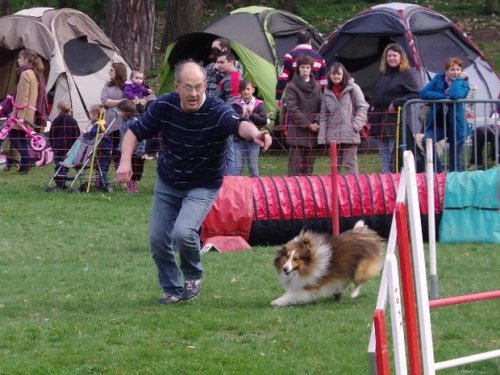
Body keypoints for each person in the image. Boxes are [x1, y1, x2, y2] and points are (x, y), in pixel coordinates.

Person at [115, 60, 272, 305]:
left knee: (183, 232)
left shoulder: (216, 109)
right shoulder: (164, 106)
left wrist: (256, 134)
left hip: (203, 183)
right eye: (188, 87)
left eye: (199, 86)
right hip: (169, 181)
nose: (195, 93)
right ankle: (172, 289)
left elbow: (239, 125)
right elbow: (135, 132)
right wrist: (125, 161)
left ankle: (192, 274)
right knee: (158, 240)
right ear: (177, 87)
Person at [369, 43, 420, 173]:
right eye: (389, 56)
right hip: (381, 117)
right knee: (383, 152)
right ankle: (385, 178)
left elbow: (416, 93)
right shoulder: (384, 73)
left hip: (395, 119)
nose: (391, 58)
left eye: (394, 55)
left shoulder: (406, 73)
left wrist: (397, 102)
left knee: (394, 151)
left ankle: (394, 178)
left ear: (401, 57)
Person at [421, 57, 470, 172]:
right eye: (452, 69)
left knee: (455, 158)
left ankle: (456, 182)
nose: (456, 72)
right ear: (446, 70)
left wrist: (458, 80)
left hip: (456, 125)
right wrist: (442, 97)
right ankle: (438, 173)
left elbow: (454, 95)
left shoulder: (464, 82)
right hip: (438, 124)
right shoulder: (438, 78)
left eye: (458, 69)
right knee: (426, 141)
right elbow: (423, 93)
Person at [318, 62, 368, 174]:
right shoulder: (326, 91)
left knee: (351, 164)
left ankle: (354, 189)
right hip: (333, 134)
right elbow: (324, 116)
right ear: (329, 75)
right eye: (333, 74)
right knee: (335, 166)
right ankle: (337, 190)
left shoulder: (353, 88)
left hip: (350, 131)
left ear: (343, 74)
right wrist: (322, 137)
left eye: (338, 74)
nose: (336, 76)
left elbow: (362, 107)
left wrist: (356, 126)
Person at [7, 49, 48, 173]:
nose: (18, 61)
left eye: (19, 58)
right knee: (22, 139)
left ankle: (27, 158)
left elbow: (23, 97)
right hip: (29, 112)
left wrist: (19, 116)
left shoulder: (25, 74)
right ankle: (25, 167)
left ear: (25, 59)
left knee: (13, 136)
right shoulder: (34, 73)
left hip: (22, 113)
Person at [284, 54, 322, 176]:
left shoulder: (317, 86)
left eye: (307, 67)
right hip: (297, 130)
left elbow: (322, 105)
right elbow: (292, 109)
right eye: (302, 67)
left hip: (313, 131)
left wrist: (317, 122)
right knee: (294, 165)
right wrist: (307, 124)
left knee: (309, 166)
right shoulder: (291, 86)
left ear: (311, 69)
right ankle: (292, 191)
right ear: (298, 69)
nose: (305, 70)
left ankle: (307, 193)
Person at [275, 30, 327, 110]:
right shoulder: (319, 58)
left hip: (295, 96)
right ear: (310, 41)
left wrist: (278, 97)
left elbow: (283, 78)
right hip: (314, 98)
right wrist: (324, 98)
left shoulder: (290, 56)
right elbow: (324, 81)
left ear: (297, 41)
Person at [232, 79, 268, 176]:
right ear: (240, 92)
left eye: (248, 89)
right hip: (238, 141)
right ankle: (236, 189)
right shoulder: (235, 105)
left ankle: (256, 190)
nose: (245, 91)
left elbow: (263, 121)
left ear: (253, 90)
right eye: (243, 90)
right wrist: (242, 117)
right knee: (237, 168)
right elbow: (232, 121)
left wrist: (252, 115)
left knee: (253, 167)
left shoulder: (259, 105)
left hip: (253, 141)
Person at [215, 50, 241, 175]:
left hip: (227, 118)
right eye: (217, 62)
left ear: (231, 62)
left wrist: (224, 116)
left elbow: (234, 101)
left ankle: (230, 181)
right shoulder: (227, 76)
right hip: (224, 116)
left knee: (229, 151)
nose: (218, 65)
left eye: (221, 62)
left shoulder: (234, 76)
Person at [101, 62, 127, 166]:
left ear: (118, 71)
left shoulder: (127, 86)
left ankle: (121, 172)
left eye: (111, 70)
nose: (109, 72)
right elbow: (104, 101)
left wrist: (112, 102)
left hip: (123, 120)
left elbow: (129, 101)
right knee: (107, 148)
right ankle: (103, 174)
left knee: (120, 148)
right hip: (109, 121)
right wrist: (121, 101)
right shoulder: (107, 85)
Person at [49, 100, 80, 189]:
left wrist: (53, 145)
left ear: (59, 109)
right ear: (70, 110)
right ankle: (61, 182)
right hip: (69, 149)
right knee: (65, 165)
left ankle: (60, 182)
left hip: (58, 148)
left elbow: (51, 135)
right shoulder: (73, 121)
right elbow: (77, 135)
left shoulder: (55, 121)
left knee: (59, 164)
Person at [116, 100, 145, 194]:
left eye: (120, 111)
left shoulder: (134, 122)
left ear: (127, 111)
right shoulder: (123, 122)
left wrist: (139, 150)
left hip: (135, 151)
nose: (118, 113)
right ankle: (128, 185)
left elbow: (138, 138)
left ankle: (132, 188)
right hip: (126, 150)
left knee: (134, 169)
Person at [83, 104, 112, 192]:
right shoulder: (102, 123)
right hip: (104, 150)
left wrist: (84, 133)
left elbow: (91, 135)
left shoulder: (99, 125)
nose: (89, 116)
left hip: (103, 151)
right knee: (100, 167)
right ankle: (100, 183)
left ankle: (104, 184)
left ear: (95, 115)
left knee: (102, 168)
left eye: (90, 114)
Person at [468, 96, 499, 169]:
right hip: (495, 122)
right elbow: (497, 108)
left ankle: (497, 160)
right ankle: (476, 162)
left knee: (495, 132)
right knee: (479, 131)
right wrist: (494, 118)